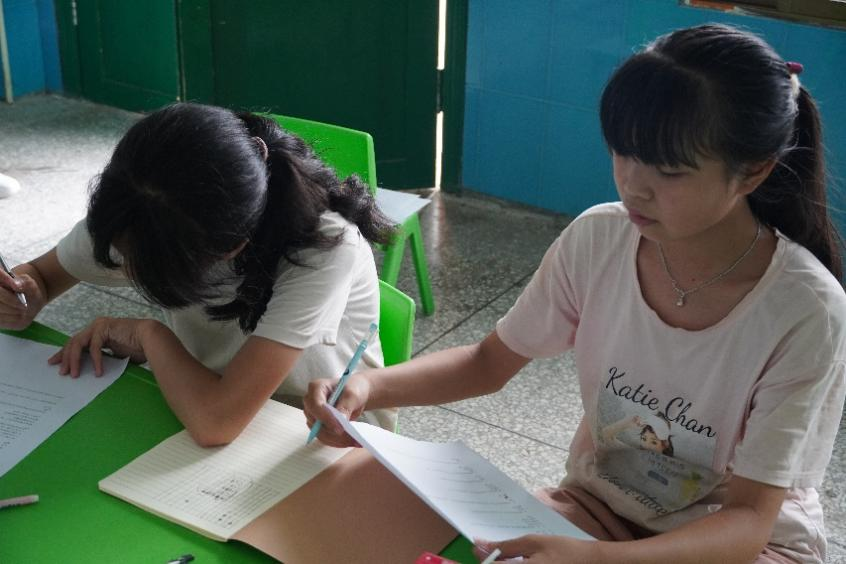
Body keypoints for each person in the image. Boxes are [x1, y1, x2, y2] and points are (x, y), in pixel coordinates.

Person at [304, 23, 846, 563]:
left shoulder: (806, 311)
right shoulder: (600, 238)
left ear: (753, 172)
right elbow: (487, 362)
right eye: (623, 153)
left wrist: (599, 561)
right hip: (600, 508)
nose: (633, 186)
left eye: (669, 171)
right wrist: (369, 387)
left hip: (740, 545)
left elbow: (748, 521)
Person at [0, 103, 397, 446]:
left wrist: (148, 335)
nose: (124, 263)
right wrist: (24, 295)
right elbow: (40, 276)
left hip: (322, 433)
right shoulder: (140, 206)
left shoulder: (322, 249)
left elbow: (216, 424)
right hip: (202, 396)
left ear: (232, 248)